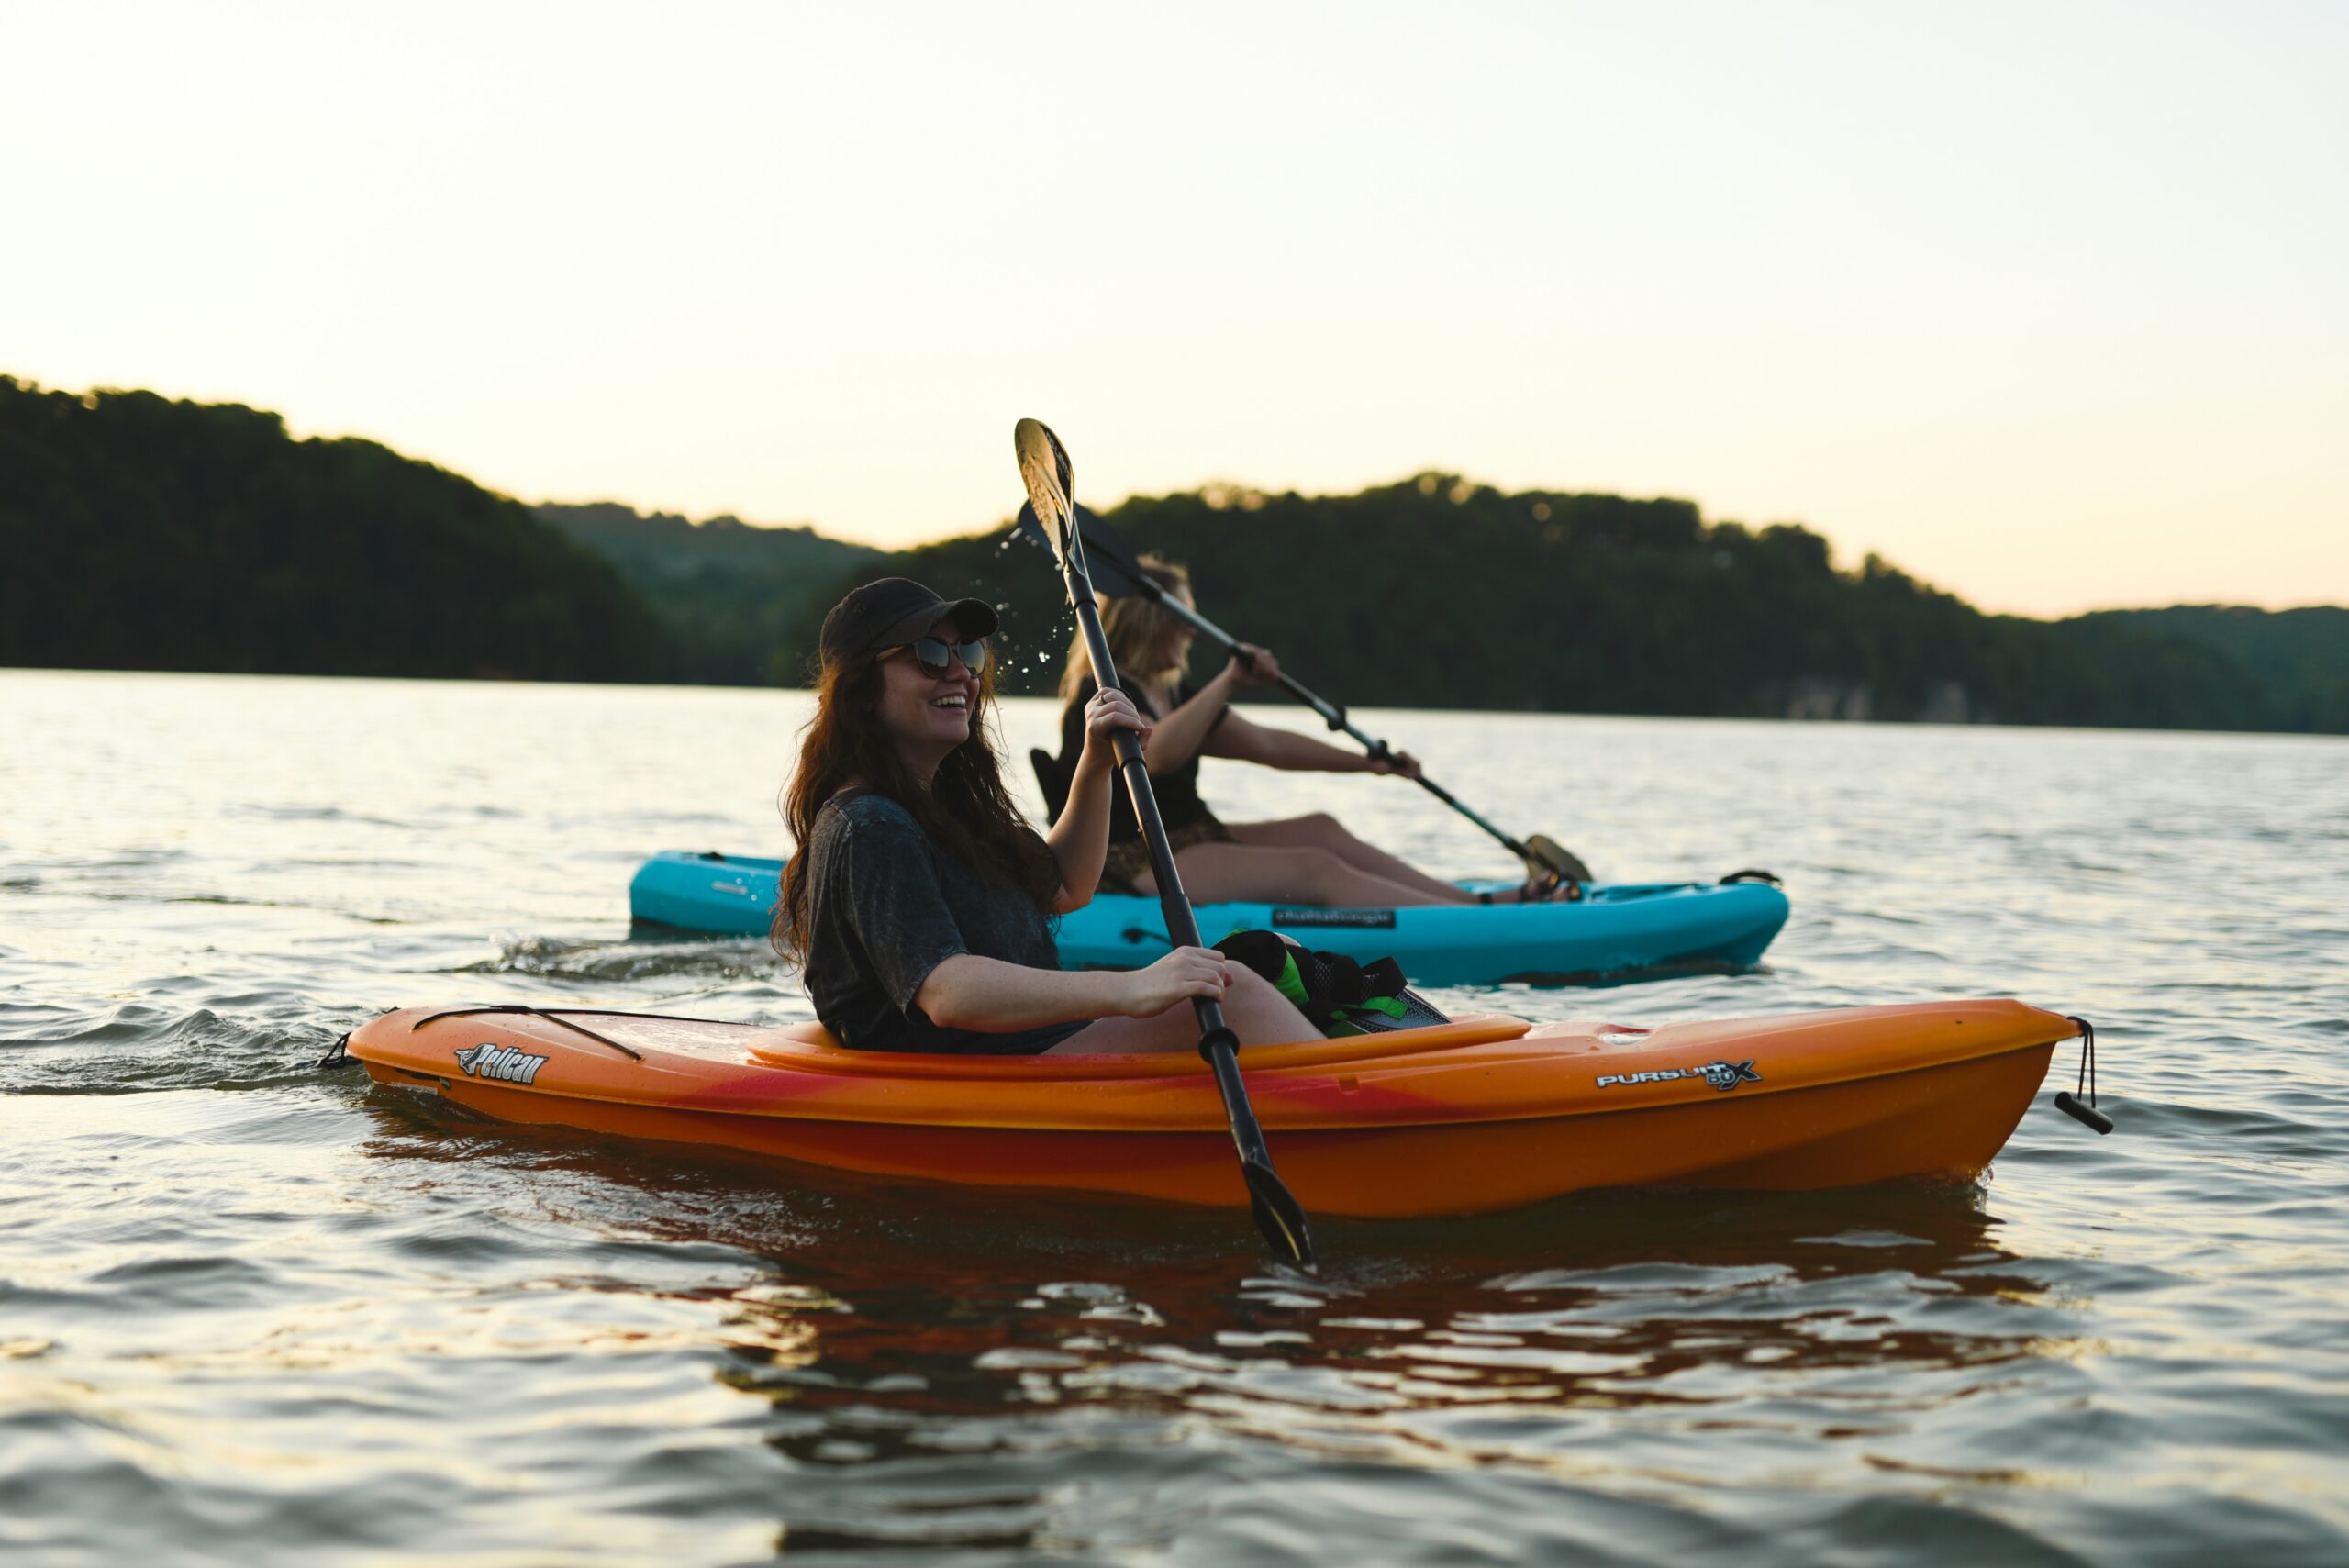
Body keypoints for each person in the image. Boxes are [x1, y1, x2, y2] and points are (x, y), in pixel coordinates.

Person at [771, 577, 1322, 1056]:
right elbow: (947, 991)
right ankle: (1377, 1110)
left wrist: (1094, 766)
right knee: (1236, 989)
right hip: (968, 1070)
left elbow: (1065, 885)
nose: (960, 673)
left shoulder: (946, 809)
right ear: (862, 693)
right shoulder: (871, 825)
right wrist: (1130, 989)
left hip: (1025, 1046)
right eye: (930, 656)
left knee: (1274, 955)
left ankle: (1379, 1065)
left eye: (968, 654)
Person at [1054, 557, 1553, 906]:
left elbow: (1271, 745)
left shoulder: (1176, 693)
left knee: (1322, 829)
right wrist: (1230, 679)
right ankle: (1472, 919)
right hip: (1131, 861)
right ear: (1147, 623)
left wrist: (1370, 764)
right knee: (1317, 867)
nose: (1191, 631)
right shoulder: (1101, 696)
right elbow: (1155, 753)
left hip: (1190, 836)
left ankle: (1480, 903)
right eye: (1181, 618)